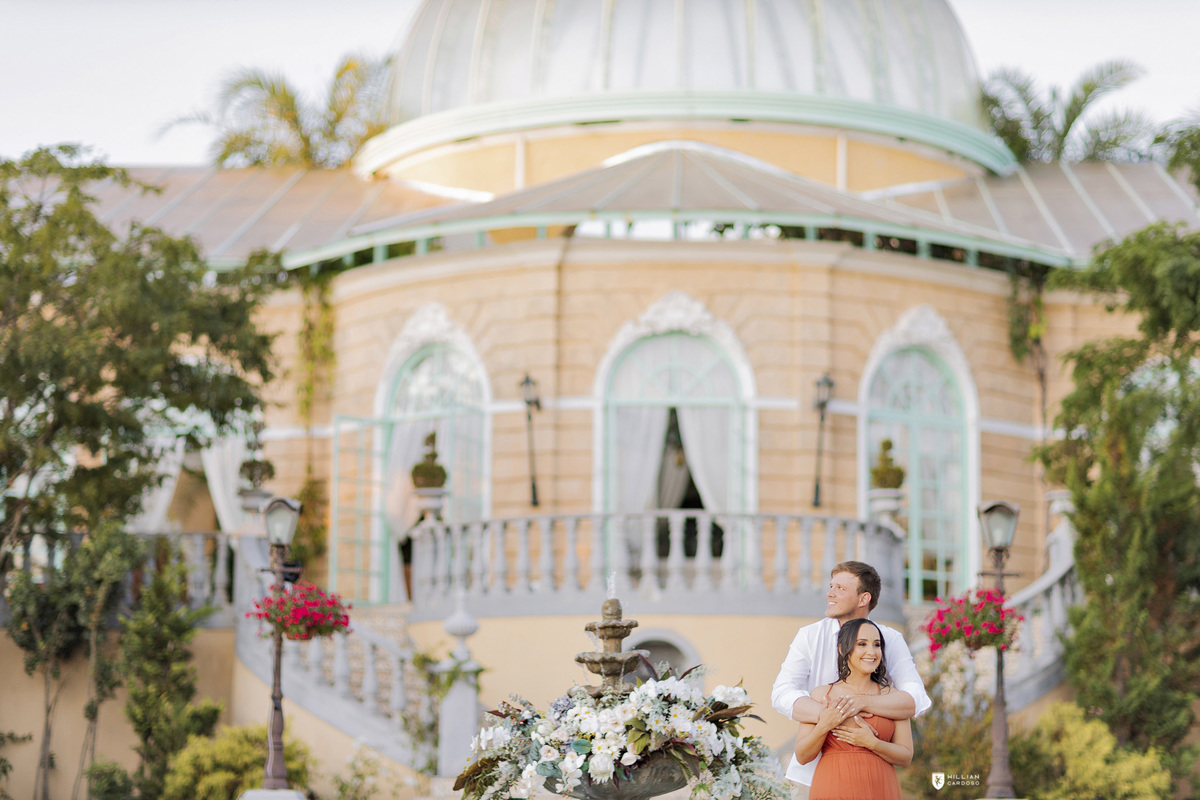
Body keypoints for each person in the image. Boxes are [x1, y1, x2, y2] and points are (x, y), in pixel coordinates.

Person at [771, 561, 930, 798]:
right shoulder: (810, 636)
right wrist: (831, 716)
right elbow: (782, 693)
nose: (830, 593)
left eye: (840, 589)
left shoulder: (890, 639)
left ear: (863, 598)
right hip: (810, 775)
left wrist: (859, 702)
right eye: (831, 586)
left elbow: (915, 699)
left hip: (875, 778)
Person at [793, 618, 913, 800]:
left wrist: (872, 743)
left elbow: (905, 756)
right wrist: (825, 724)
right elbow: (802, 755)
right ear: (843, 649)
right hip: (832, 788)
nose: (871, 652)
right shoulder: (822, 695)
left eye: (877, 645)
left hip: (880, 789)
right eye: (862, 644)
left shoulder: (893, 698)